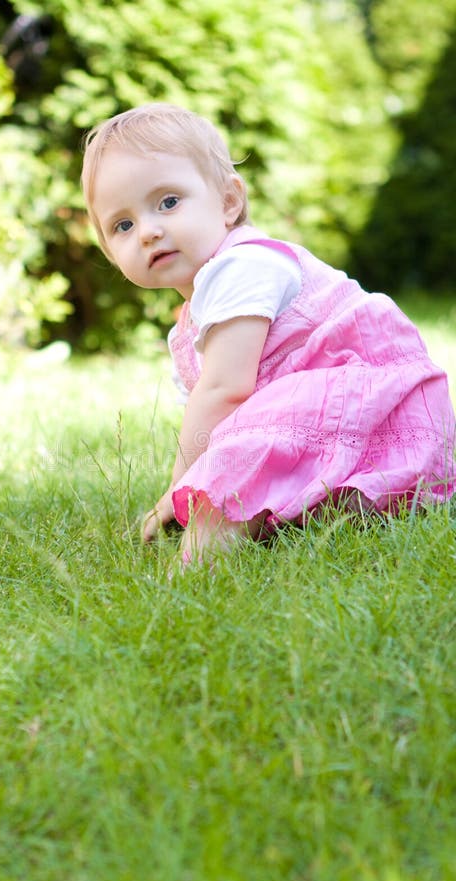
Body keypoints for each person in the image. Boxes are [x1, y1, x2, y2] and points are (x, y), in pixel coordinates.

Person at [81, 103, 455, 564]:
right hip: (337, 436)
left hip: (381, 413)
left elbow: (225, 392)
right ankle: (307, 512)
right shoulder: (191, 325)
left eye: (168, 202)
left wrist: (179, 489)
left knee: (233, 461)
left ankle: (193, 570)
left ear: (228, 202)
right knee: (241, 450)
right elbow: (215, 422)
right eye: (123, 225)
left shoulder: (245, 266)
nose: (148, 232)